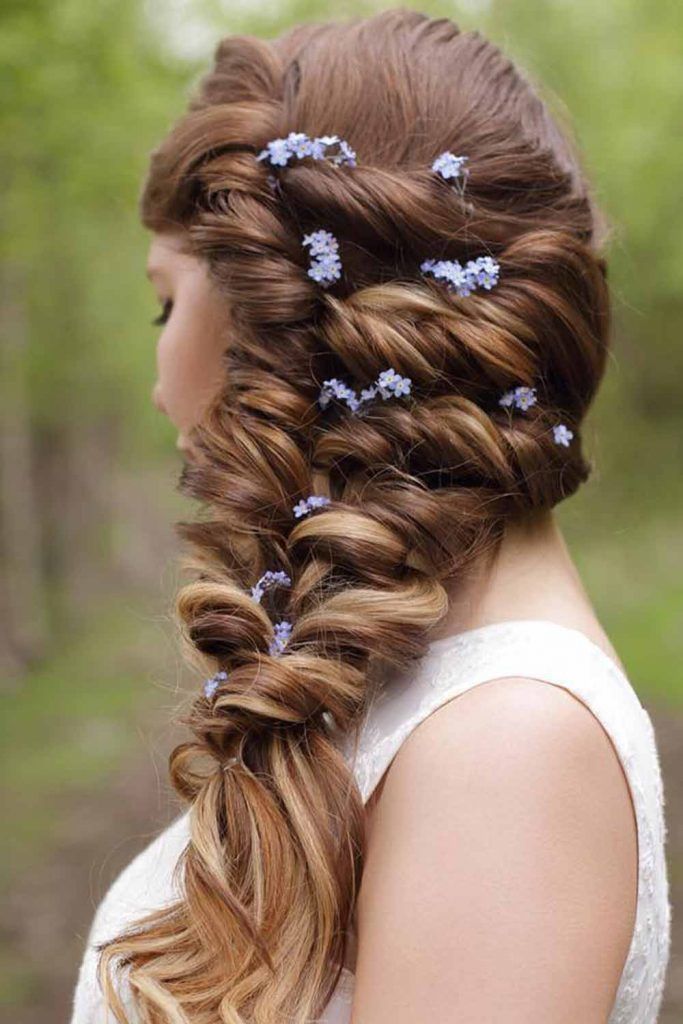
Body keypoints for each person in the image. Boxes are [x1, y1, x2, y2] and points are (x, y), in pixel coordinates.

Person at [69, 9, 671, 1023]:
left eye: (164, 304)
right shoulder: (427, 701)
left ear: (276, 310)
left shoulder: (506, 747)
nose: (159, 387)